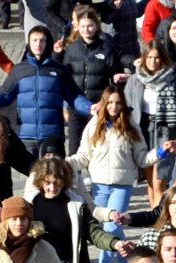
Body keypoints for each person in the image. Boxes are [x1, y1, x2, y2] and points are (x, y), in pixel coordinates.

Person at [64, 83, 165, 263]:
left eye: (118, 103)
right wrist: (64, 164)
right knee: (110, 228)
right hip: (99, 185)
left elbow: (142, 158)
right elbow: (83, 156)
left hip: (122, 186)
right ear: (103, 103)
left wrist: (160, 152)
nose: (113, 106)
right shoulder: (94, 125)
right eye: (109, 102)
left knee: (111, 225)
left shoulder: (130, 125)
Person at [0, 25, 92, 154]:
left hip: (52, 137)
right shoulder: (19, 70)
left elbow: (74, 97)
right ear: (29, 43)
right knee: (32, 174)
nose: (38, 44)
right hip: (26, 137)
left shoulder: (60, 71)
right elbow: (4, 95)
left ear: (48, 43)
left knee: (53, 174)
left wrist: (90, 107)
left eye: (42, 40)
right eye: (34, 40)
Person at [125, 40, 176, 206]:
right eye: (149, 58)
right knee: (150, 181)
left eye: (156, 58)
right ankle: (155, 217)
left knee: (159, 181)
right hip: (143, 129)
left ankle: (160, 219)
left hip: (165, 130)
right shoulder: (135, 79)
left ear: (163, 59)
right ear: (144, 58)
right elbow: (126, 105)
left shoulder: (172, 77)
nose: (153, 61)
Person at [56, 4, 129, 153]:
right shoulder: (71, 49)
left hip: (99, 106)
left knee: (97, 147)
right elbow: (62, 78)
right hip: (76, 105)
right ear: (77, 27)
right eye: (83, 26)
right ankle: (75, 176)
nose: (86, 29)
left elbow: (117, 79)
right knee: (74, 149)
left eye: (90, 26)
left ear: (96, 26)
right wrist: (65, 105)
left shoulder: (106, 49)